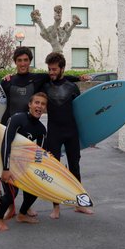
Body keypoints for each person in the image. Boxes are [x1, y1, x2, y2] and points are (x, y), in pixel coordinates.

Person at [0, 47, 88, 218]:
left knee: (30, 170)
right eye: (20, 60)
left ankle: (27, 207)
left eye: (26, 60)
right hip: (13, 126)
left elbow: (61, 79)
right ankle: (10, 204)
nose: (23, 63)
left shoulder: (38, 78)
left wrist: (78, 78)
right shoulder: (8, 81)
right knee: (9, 167)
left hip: (33, 131)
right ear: (15, 62)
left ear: (30, 61)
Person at [43, 52, 94, 219]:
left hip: (71, 131)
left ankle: (81, 204)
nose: (51, 72)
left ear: (62, 68)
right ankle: (56, 207)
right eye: (49, 69)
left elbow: (81, 112)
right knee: (55, 171)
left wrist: (88, 136)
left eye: (54, 69)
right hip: (54, 132)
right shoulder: (44, 85)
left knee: (75, 168)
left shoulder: (72, 87)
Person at [0, 92, 48, 231]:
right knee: (12, 193)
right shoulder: (17, 119)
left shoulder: (41, 130)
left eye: (42, 104)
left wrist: (45, 160)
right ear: (30, 104)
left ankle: (22, 214)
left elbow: (38, 155)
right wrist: (6, 169)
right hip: (7, 162)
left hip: (24, 164)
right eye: (37, 102)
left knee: (35, 189)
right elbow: (6, 143)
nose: (39, 106)